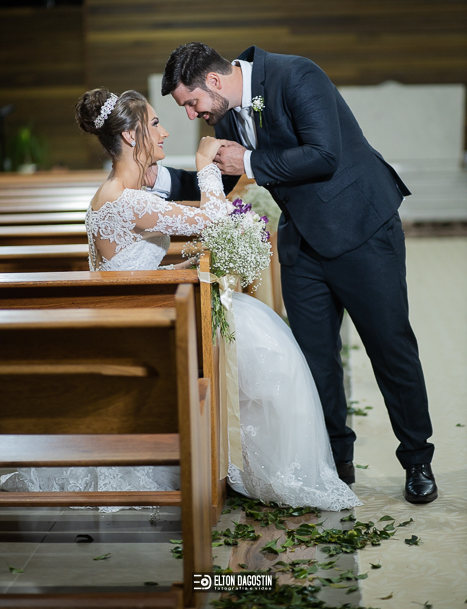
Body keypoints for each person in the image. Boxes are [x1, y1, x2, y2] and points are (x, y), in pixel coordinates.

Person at [0, 87, 360, 513]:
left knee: (258, 334)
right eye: (155, 123)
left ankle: (239, 460)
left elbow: (132, 269)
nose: (165, 132)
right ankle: (257, 468)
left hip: (145, 316)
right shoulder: (126, 201)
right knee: (269, 345)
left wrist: (183, 267)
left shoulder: (117, 196)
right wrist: (204, 166)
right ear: (131, 136)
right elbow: (215, 221)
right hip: (148, 332)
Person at [152, 42, 437, 505]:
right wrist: (157, 180)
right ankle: (336, 464)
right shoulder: (223, 112)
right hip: (302, 243)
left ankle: (417, 459)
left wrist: (247, 162)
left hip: (362, 227)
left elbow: (324, 154)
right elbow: (223, 178)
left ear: (215, 81)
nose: (191, 114)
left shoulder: (297, 75)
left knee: (390, 347)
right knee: (315, 360)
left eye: (191, 102)